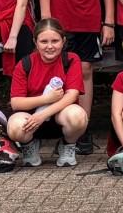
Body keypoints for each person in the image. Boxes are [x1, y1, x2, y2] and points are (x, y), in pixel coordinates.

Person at [6, 20, 89, 167]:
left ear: (63, 41)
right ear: (35, 42)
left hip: (60, 116)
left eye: (55, 41)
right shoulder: (25, 64)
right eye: (44, 41)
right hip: (32, 119)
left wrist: (43, 115)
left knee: (79, 116)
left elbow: (72, 95)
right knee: (14, 127)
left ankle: (67, 145)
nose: (50, 46)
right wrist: (46, 99)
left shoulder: (71, 59)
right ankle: (29, 145)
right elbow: (16, 103)